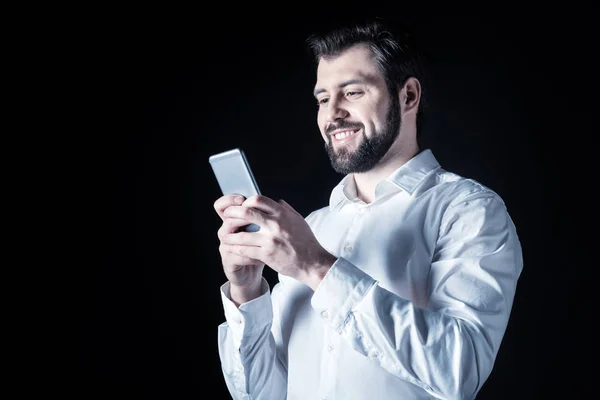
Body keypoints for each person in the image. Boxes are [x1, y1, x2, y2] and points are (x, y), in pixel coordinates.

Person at [213, 17, 523, 400]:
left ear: (408, 96)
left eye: (353, 92)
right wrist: (248, 293)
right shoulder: (313, 227)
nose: (332, 114)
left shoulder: (469, 211)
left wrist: (315, 267)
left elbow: (457, 371)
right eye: (323, 99)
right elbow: (263, 394)